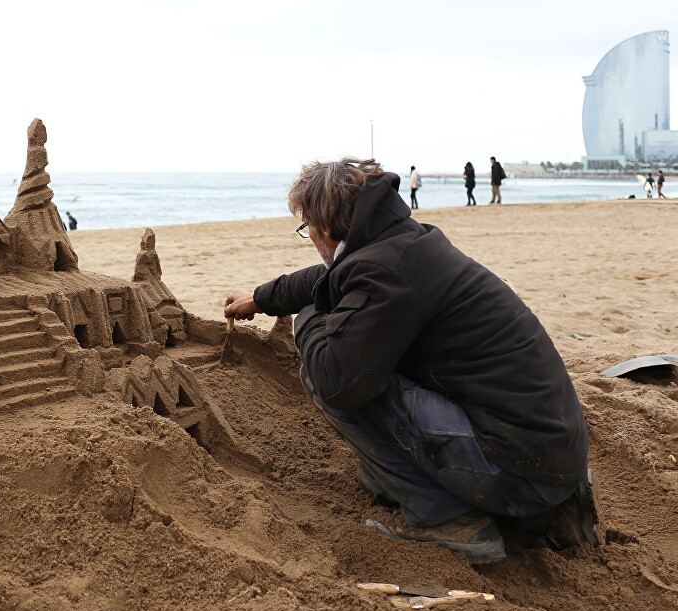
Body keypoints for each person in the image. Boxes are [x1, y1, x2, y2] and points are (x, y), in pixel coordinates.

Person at [223, 158, 598, 563]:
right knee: (364, 353)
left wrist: (310, 317)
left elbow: (337, 380)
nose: (310, 236)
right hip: (553, 457)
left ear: (325, 229)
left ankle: (448, 520)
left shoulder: (385, 271)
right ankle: (544, 512)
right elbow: (328, 277)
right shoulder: (404, 244)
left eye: (307, 229)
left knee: (333, 373)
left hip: (520, 472)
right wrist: (262, 298)